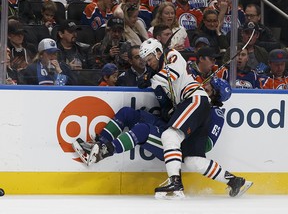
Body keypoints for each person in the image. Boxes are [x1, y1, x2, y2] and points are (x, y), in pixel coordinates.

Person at [72, 75, 252, 198]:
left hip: (176, 144)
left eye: (210, 88)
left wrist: (182, 133)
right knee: (127, 113)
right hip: (168, 127)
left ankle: (102, 153)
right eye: (208, 84)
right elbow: (169, 109)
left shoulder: (214, 114)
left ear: (215, 97)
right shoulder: (195, 95)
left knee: (142, 130)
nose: (205, 86)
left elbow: (207, 145)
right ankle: (98, 144)